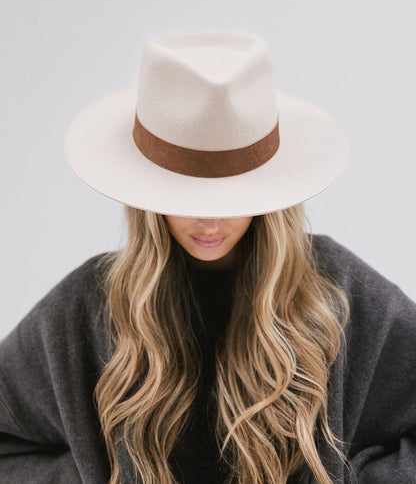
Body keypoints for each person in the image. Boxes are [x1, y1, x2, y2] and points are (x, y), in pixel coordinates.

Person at [0, 31, 415, 484]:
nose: (211, 222)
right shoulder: (91, 304)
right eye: (186, 196)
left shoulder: (335, 293)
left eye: (233, 196)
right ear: (147, 196)